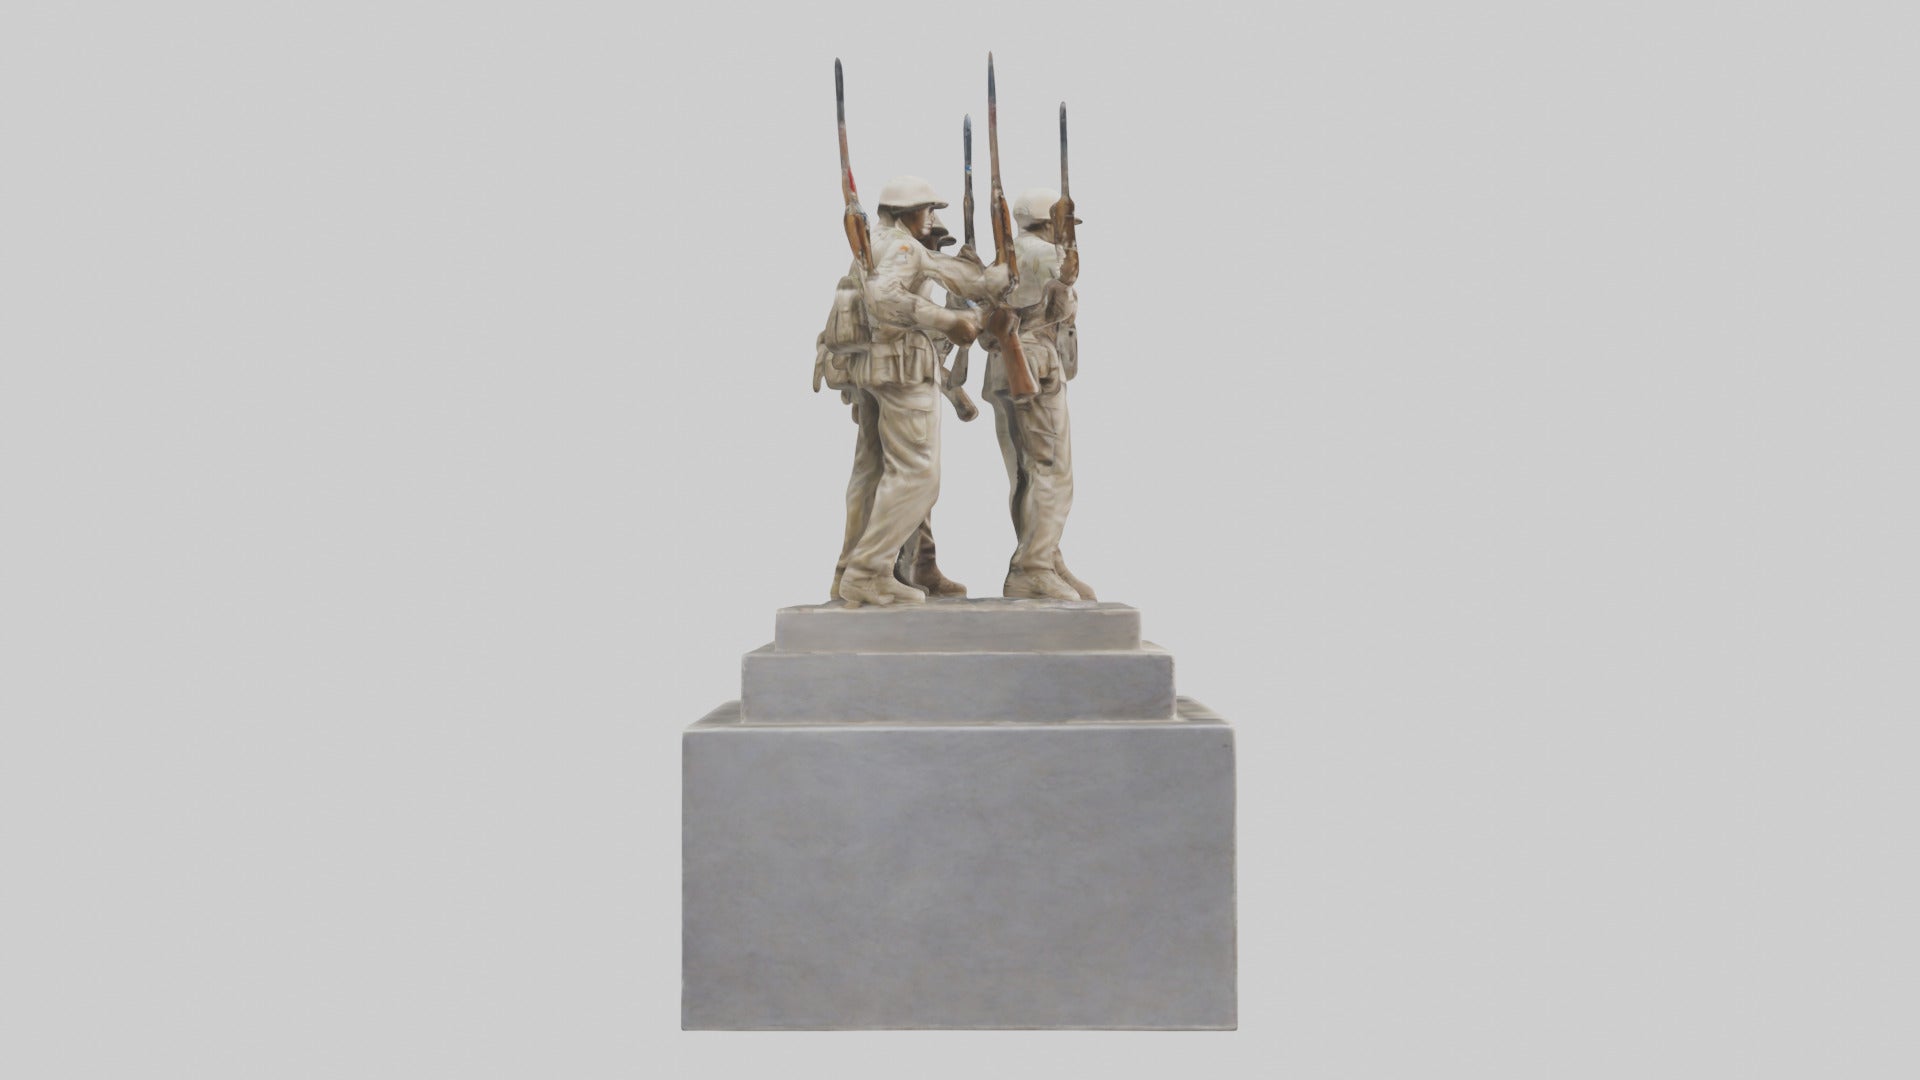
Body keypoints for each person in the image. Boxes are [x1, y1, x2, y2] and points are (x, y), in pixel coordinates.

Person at [831, 176, 1008, 608]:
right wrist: (948, 321)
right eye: (927, 210)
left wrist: (993, 271)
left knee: (872, 472)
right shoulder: (903, 248)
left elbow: (954, 275)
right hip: (902, 370)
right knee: (918, 474)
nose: (931, 219)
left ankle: (849, 569)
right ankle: (868, 572)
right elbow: (884, 297)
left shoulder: (884, 244)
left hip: (876, 369)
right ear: (909, 212)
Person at [982, 187, 1095, 601]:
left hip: (1004, 367)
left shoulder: (1001, 257)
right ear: (1050, 223)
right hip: (1036, 366)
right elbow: (1067, 285)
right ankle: (1033, 566)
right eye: (1062, 224)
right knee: (1052, 472)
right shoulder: (1046, 254)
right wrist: (1068, 247)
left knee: (1024, 473)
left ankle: (1044, 555)